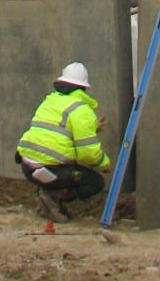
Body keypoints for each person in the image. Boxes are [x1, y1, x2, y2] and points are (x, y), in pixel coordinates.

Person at [16, 61, 111, 220]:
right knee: (95, 183)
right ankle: (53, 198)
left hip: (28, 168)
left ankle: (46, 196)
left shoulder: (50, 101)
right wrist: (104, 164)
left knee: (65, 168)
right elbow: (88, 153)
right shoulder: (81, 109)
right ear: (84, 88)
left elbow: (59, 130)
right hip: (50, 172)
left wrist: (93, 128)